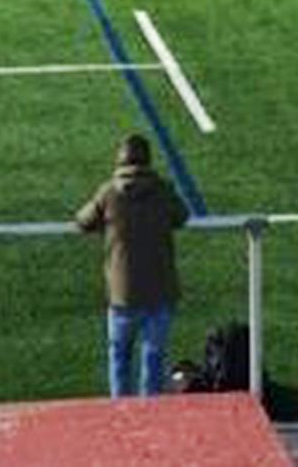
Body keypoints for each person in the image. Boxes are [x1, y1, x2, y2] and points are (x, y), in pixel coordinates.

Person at [75, 133, 189, 398]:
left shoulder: (108, 192)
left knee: (120, 356)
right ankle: (148, 413)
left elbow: (82, 221)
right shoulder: (162, 189)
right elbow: (182, 216)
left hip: (122, 292)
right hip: (160, 289)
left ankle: (121, 412)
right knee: (153, 356)